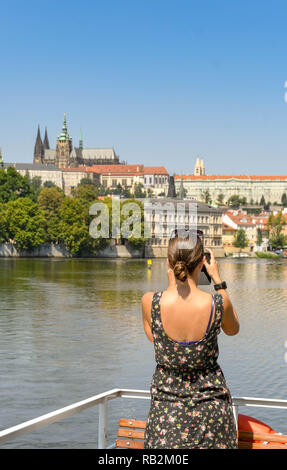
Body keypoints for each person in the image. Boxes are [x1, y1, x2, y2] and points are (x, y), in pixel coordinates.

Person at [142, 231, 239, 449]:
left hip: (166, 417)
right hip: (212, 415)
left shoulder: (150, 302)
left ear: (168, 262)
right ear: (203, 262)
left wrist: (172, 283)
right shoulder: (217, 303)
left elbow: (154, 339)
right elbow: (233, 330)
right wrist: (217, 280)